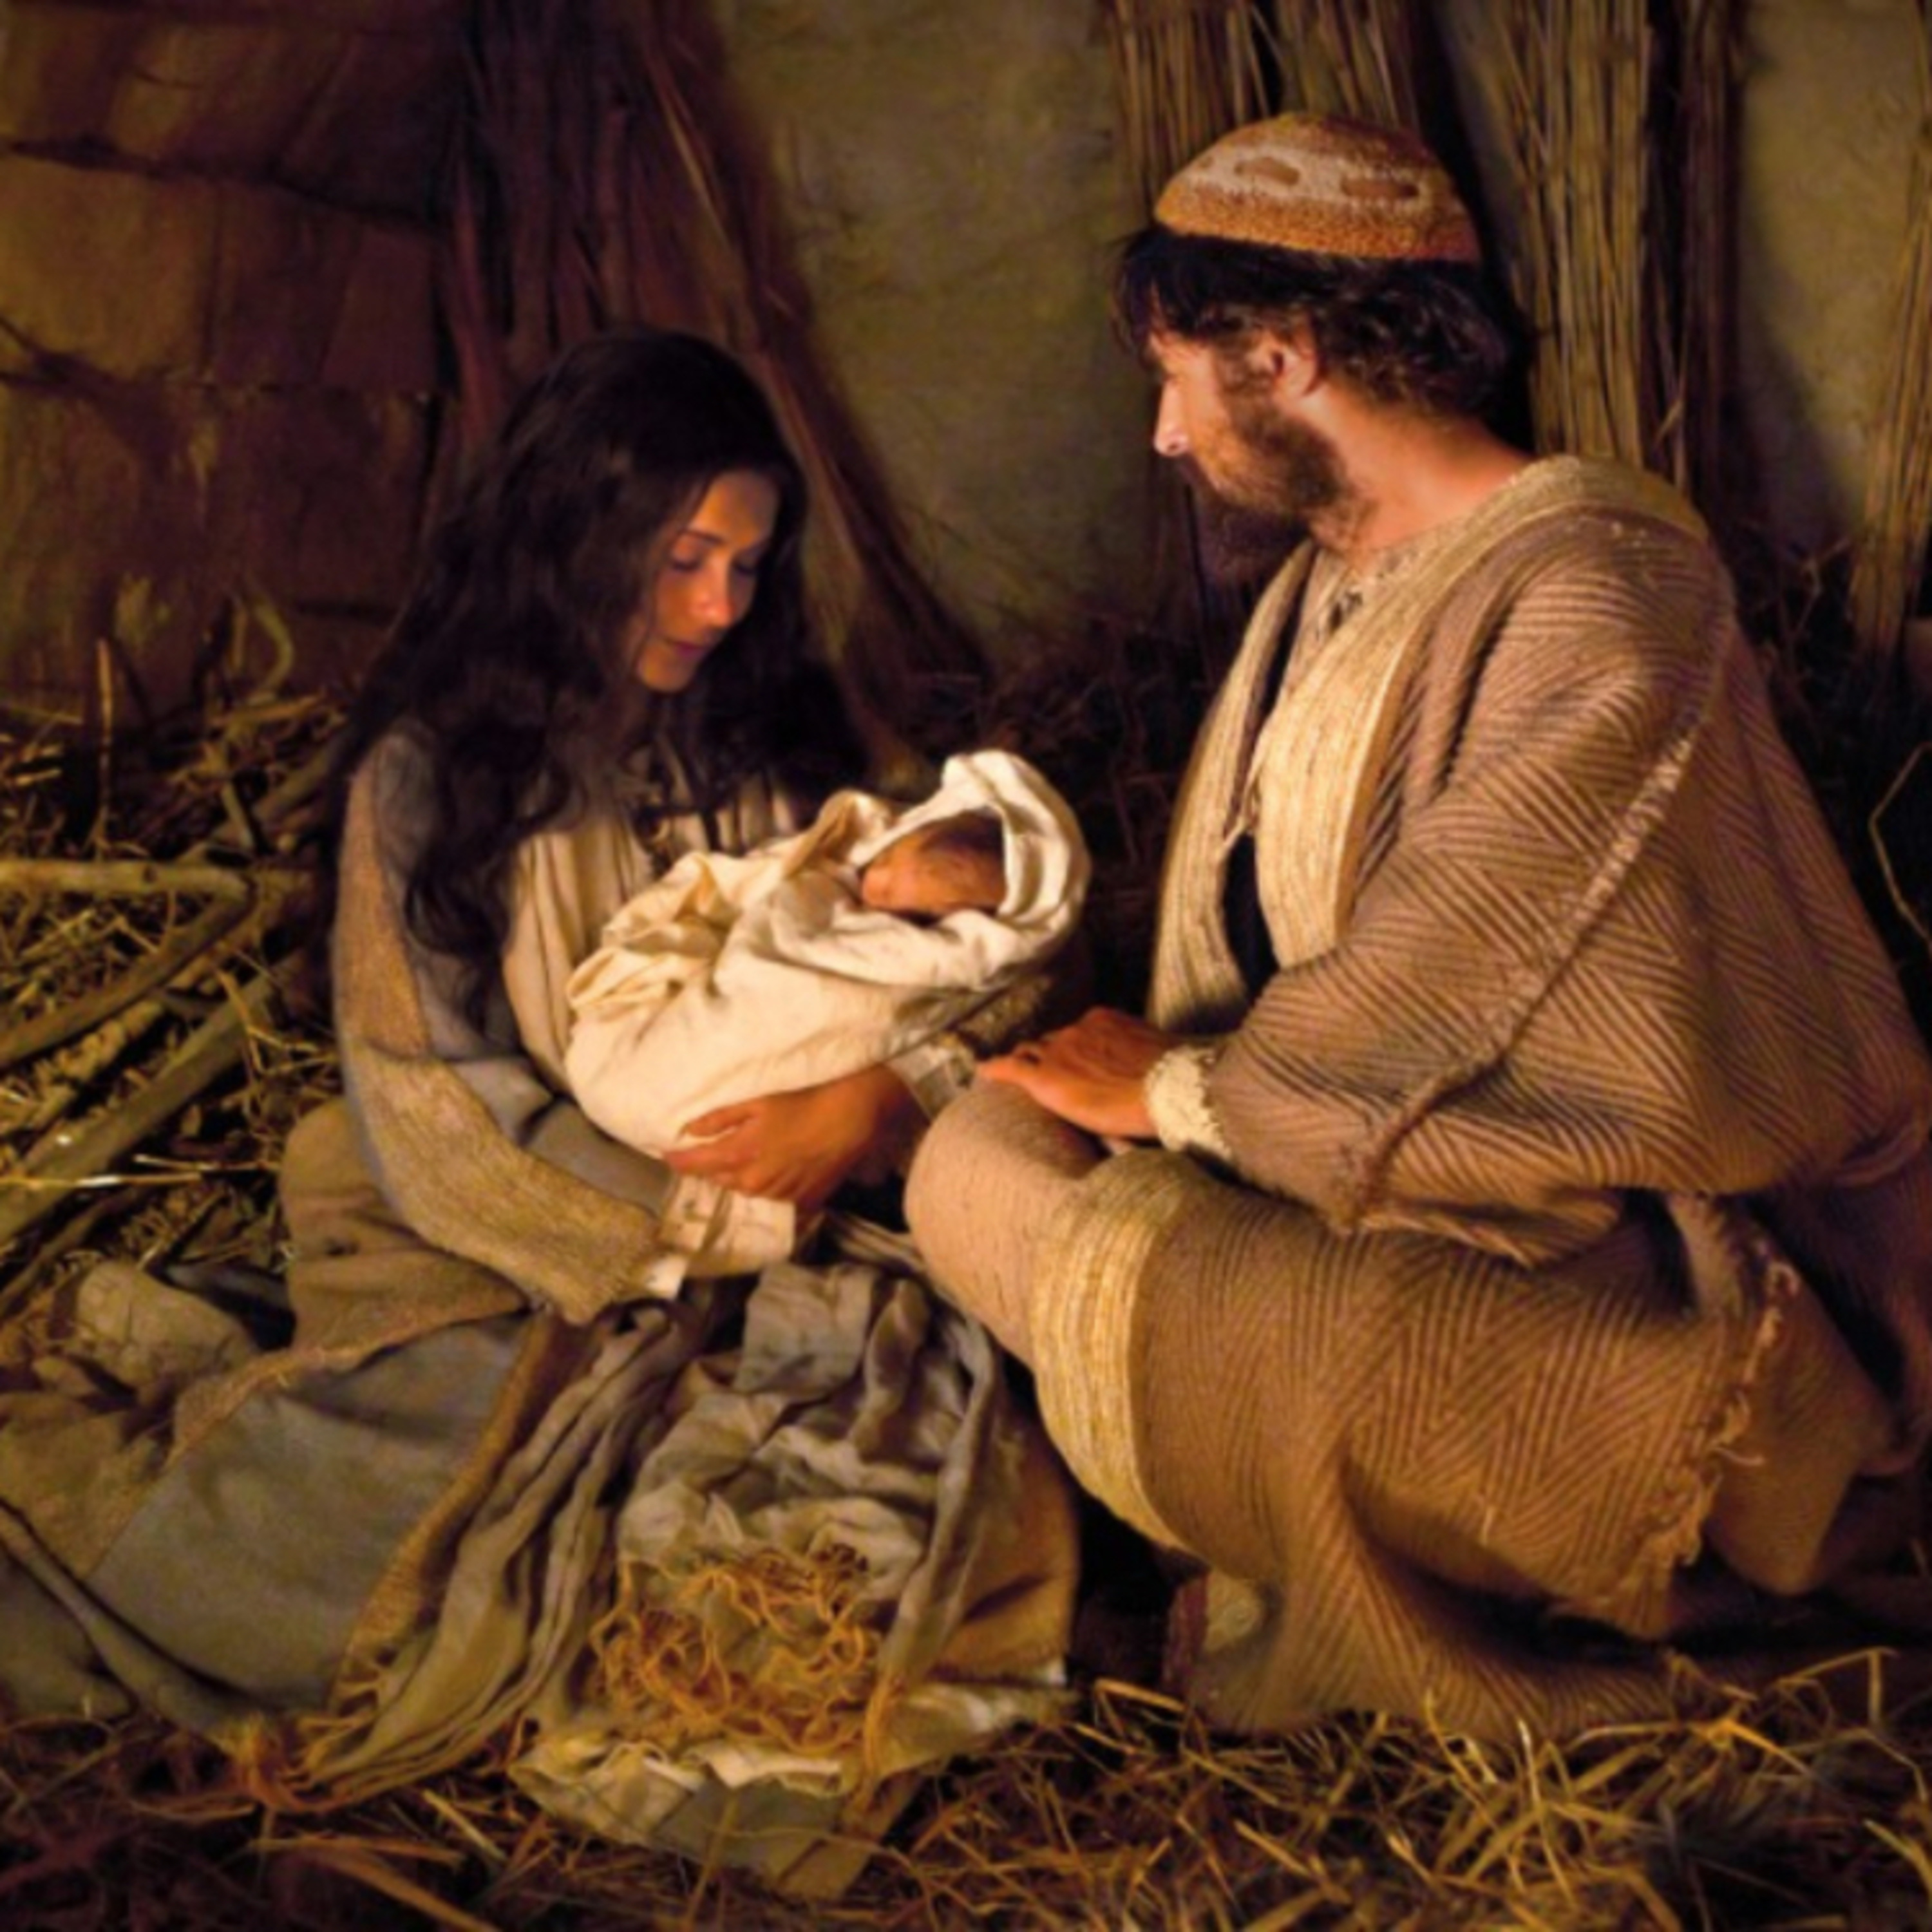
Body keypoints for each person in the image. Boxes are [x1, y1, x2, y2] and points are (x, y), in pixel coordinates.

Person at [0, 328, 1078, 1884]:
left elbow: (1006, 960)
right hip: (517, 1232)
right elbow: (438, 1103)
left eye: (748, 565)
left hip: (832, 1205)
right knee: (339, 1538)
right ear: (574, 536)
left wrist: (873, 1100)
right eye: (682, 560)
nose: (719, 606)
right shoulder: (429, 782)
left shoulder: (801, 748)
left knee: (896, 1507)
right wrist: (706, 1220)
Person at [905, 113, 1932, 1740]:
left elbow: (1474, 979)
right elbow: (1267, 924)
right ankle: (1243, 1370)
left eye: (1176, 379)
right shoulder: (1322, 581)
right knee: (974, 1158)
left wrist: (1175, 1094)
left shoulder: (1599, 586)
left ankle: (1504, 1525)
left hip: (1614, 1239)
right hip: (1335, 1145)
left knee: (1326, 1336)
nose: (1165, 434)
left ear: (1283, 355)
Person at [564, 747, 1090, 1272]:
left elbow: (1033, 973)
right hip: (668, 1080)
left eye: (912, 914)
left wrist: (879, 1093)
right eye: (883, 863)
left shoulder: (958, 942)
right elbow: (765, 919)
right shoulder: (560, 817)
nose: (874, 887)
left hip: (850, 1130)